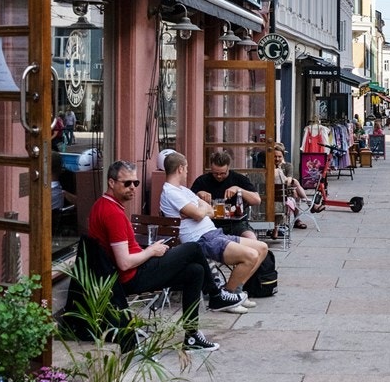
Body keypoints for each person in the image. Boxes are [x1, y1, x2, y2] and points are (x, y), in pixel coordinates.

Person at [87, 161, 218, 351]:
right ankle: (215, 295)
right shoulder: (112, 213)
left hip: (130, 271)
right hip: (131, 277)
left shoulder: (102, 205)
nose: (132, 187)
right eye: (127, 183)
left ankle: (192, 337)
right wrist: (151, 251)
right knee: (193, 248)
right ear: (111, 182)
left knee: (195, 271)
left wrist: (148, 252)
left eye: (136, 183)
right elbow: (124, 263)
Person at [160, 150, 265, 310]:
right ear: (180, 168)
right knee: (251, 255)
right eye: (186, 168)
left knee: (262, 248)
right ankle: (225, 298)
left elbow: (209, 210)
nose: (187, 171)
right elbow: (199, 213)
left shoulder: (183, 190)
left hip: (214, 233)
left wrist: (200, 209)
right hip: (201, 240)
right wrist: (200, 210)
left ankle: (232, 293)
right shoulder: (171, 192)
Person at [191, 150, 262, 239]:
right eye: (215, 173)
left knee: (250, 237)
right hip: (209, 222)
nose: (219, 176)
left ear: (228, 168)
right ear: (211, 168)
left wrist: (238, 190)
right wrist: (198, 194)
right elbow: (188, 202)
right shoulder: (202, 180)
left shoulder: (239, 179)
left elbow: (257, 200)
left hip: (236, 223)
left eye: (222, 173)